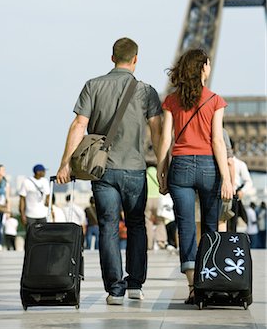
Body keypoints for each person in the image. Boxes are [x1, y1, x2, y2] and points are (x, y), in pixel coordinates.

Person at [56, 37, 162, 305]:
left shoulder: (93, 85)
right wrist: (163, 165)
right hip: (136, 169)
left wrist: (65, 163)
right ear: (136, 59)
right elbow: (157, 130)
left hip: (101, 170)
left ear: (112, 57)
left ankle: (114, 289)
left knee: (108, 228)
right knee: (137, 226)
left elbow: (78, 124)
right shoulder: (146, 91)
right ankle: (135, 284)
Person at [156, 48, 233, 305]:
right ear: (202, 68)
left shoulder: (171, 100)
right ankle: (209, 280)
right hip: (210, 167)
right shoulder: (215, 100)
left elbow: (166, 140)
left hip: (181, 167)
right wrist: (227, 178)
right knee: (211, 228)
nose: (210, 68)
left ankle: (192, 287)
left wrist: (161, 170)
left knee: (186, 227)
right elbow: (218, 142)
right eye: (208, 64)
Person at [145, 164, 167, 250]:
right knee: (160, 221)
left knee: (147, 221)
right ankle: (161, 241)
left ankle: (148, 243)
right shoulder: (158, 173)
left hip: (147, 199)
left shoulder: (145, 173)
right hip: (158, 199)